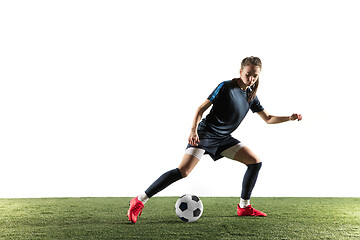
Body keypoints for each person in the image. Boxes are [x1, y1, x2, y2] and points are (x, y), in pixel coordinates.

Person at [127, 56, 302, 223]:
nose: (251, 79)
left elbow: (268, 118)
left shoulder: (251, 96)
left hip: (223, 139)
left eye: (255, 75)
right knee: (183, 171)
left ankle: (244, 207)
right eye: (248, 74)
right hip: (206, 134)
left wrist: (290, 117)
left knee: (255, 162)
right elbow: (200, 109)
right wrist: (193, 130)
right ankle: (139, 200)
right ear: (240, 71)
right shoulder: (226, 87)